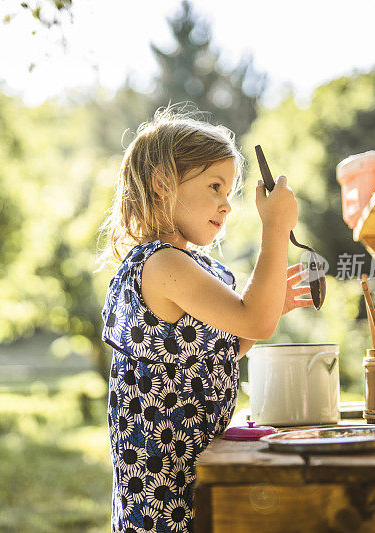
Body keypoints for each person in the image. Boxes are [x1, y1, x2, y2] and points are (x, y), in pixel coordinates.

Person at [96, 106, 313, 532]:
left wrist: (273, 303)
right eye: (215, 186)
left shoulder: (194, 266)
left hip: (196, 471)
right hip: (163, 494)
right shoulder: (162, 265)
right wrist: (275, 229)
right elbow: (254, 323)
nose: (226, 205)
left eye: (229, 191)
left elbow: (221, 348)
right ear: (162, 183)